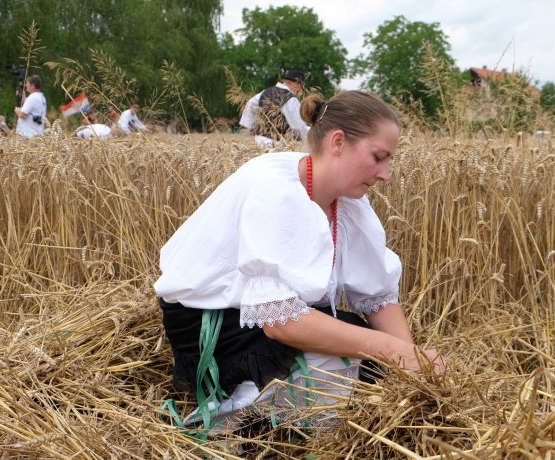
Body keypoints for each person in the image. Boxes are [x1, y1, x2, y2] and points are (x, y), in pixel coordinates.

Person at [155, 90, 445, 434]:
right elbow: (282, 322)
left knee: (372, 366)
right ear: (338, 142)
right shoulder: (276, 188)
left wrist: (415, 369)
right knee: (339, 363)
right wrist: (391, 351)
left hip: (270, 319)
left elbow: (378, 298)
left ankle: (285, 414)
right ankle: (233, 419)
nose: (386, 174)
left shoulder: (349, 202)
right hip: (216, 328)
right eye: (379, 157)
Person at [240, 70, 310, 147]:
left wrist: (251, 126)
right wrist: (311, 138)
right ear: (293, 83)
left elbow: (250, 103)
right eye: (300, 86)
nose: (300, 90)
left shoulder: (265, 91)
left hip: (259, 142)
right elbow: (298, 127)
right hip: (277, 145)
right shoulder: (290, 99)